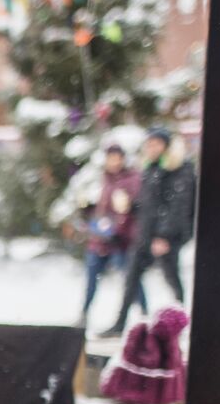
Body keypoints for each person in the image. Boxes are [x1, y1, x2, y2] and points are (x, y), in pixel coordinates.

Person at [100, 127, 197, 338]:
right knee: (131, 278)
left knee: (172, 279)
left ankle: (181, 322)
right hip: (145, 235)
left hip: (166, 238)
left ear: (166, 146)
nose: (151, 148)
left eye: (155, 144)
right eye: (149, 144)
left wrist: (164, 236)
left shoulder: (180, 170)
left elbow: (177, 207)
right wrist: (130, 206)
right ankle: (119, 323)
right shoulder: (151, 169)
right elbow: (148, 205)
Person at [79, 145, 146, 329]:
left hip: (121, 241)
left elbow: (131, 210)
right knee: (92, 279)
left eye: (117, 158)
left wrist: (119, 231)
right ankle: (83, 315)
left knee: (131, 279)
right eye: (111, 158)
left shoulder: (132, 179)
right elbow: (103, 209)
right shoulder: (104, 178)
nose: (114, 162)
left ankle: (144, 314)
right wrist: (88, 211)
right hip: (100, 240)